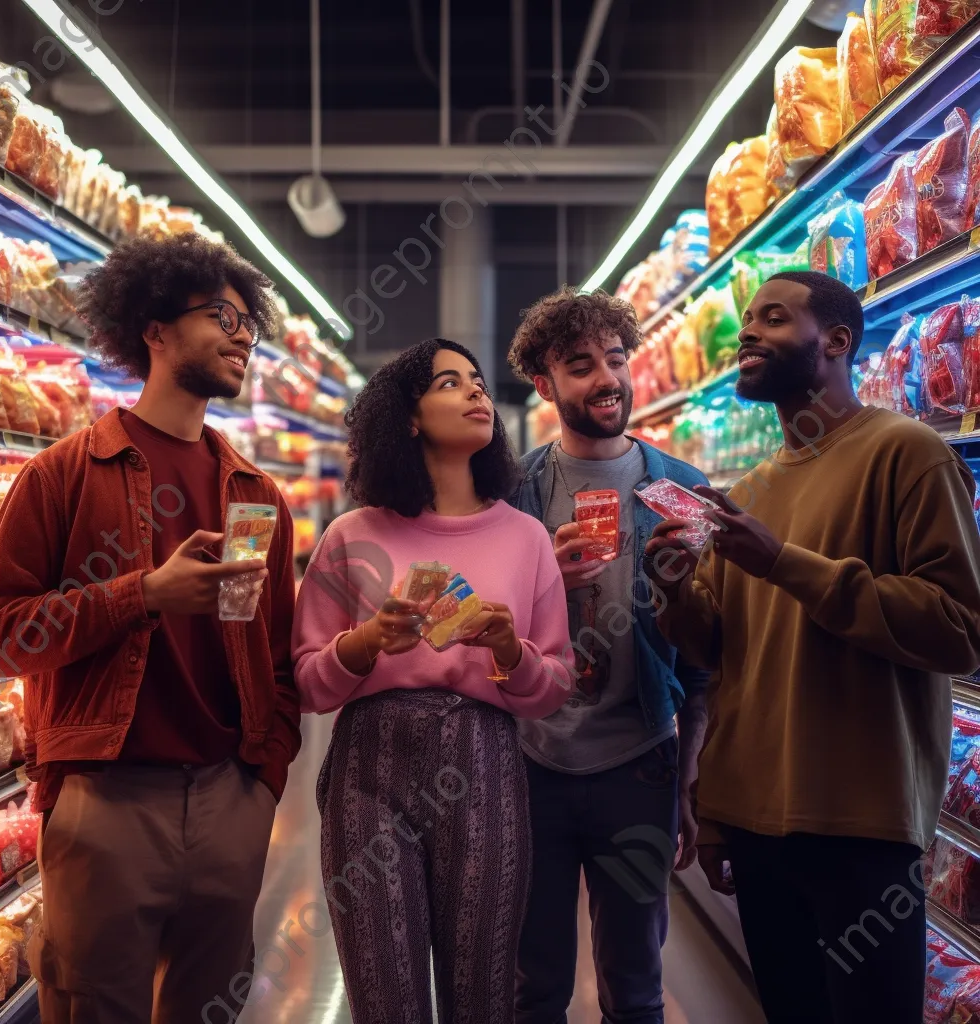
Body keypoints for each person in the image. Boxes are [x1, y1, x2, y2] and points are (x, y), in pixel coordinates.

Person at [0, 233, 301, 1023]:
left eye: (251, 322)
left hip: (229, 797)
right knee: (94, 1006)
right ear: (153, 327)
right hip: (105, 800)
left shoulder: (257, 494)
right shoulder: (64, 475)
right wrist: (141, 593)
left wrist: (264, 781)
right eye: (223, 315)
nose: (243, 335)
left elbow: (279, 657)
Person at [645, 271, 980, 1023]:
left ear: (835, 342)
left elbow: (959, 628)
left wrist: (784, 564)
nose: (747, 334)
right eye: (747, 321)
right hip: (759, 825)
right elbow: (724, 651)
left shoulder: (908, 453)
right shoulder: (756, 487)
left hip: (861, 822)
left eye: (772, 318)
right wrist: (670, 588)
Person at [292, 338, 573, 1024]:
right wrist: (364, 644)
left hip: (487, 768)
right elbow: (308, 683)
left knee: (482, 995)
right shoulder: (350, 535)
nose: (478, 393)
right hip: (368, 773)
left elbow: (554, 687)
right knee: (384, 996)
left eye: (478, 382)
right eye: (451, 383)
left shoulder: (527, 538)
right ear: (409, 418)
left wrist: (512, 650)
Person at [507, 287, 711, 1024]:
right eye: (581, 364)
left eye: (616, 359)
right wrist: (541, 581)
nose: (606, 379)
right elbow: (480, 627)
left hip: (641, 761)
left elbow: (703, 654)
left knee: (635, 986)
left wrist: (690, 774)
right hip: (532, 766)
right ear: (545, 385)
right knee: (535, 985)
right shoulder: (511, 492)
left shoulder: (681, 491)